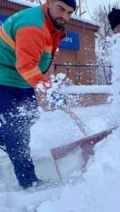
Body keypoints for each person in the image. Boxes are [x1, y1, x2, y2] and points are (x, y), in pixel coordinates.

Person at [0, 0, 76, 189]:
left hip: (21, 79)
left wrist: (46, 85)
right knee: (18, 130)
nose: (65, 16)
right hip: (5, 78)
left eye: (69, 12)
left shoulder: (50, 23)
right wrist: (48, 90)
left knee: (30, 115)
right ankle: (29, 181)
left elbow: (37, 58)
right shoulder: (33, 25)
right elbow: (25, 64)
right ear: (49, 3)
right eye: (61, 9)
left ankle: (4, 137)